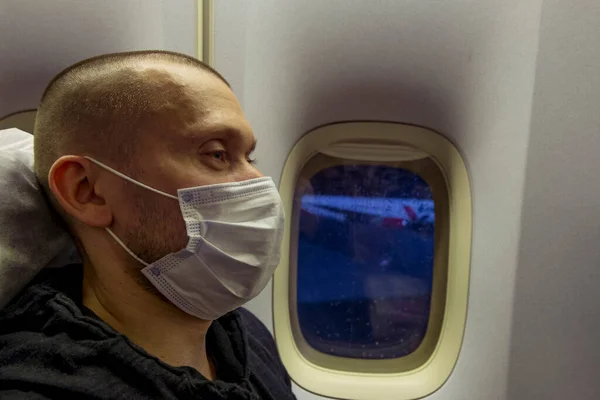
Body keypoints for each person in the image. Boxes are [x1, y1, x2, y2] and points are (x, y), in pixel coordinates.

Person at [0, 50, 295, 400]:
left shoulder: (245, 333)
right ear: (87, 192)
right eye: (216, 154)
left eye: (250, 157)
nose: (257, 183)